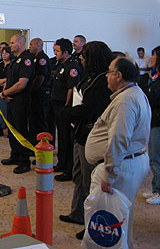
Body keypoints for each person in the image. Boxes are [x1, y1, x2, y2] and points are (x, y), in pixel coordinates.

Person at [85, 57, 151, 249]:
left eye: (109, 71)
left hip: (120, 167)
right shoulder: (134, 93)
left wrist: (109, 173)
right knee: (122, 213)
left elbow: (119, 138)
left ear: (118, 76)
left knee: (107, 219)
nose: (106, 75)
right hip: (131, 162)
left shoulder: (125, 101)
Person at [58, 41, 115, 239]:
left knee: (89, 181)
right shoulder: (90, 77)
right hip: (80, 133)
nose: (80, 59)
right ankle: (77, 213)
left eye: (84, 57)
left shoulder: (101, 81)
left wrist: (67, 114)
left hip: (91, 136)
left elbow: (90, 109)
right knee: (79, 176)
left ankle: (93, 223)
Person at [0, 34, 34, 174]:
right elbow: (9, 79)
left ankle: (24, 161)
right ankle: (15, 155)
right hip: (11, 100)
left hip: (21, 100)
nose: (11, 45)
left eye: (13, 43)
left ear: (21, 43)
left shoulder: (26, 60)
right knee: (12, 130)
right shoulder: (14, 60)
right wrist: (5, 92)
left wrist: (6, 93)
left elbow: (22, 83)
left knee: (20, 131)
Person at [51, 38, 81, 182]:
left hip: (64, 107)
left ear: (66, 52)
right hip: (56, 105)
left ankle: (68, 169)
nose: (54, 53)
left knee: (67, 139)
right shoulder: (60, 64)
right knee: (61, 138)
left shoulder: (72, 67)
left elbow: (71, 89)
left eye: (57, 51)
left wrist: (66, 108)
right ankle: (61, 163)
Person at [143, 46, 160, 205]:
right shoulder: (154, 75)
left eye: (153, 55)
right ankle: (155, 188)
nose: (151, 58)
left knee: (156, 157)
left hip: (158, 121)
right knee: (153, 157)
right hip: (153, 120)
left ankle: (158, 191)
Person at [29, 38, 51, 142]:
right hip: (35, 94)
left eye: (31, 44)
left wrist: (31, 89)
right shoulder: (35, 58)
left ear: (38, 45)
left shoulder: (42, 59)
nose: (29, 47)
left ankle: (44, 144)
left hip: (40, 94)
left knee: (40, 120)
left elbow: (40, 77)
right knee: (34, 120)